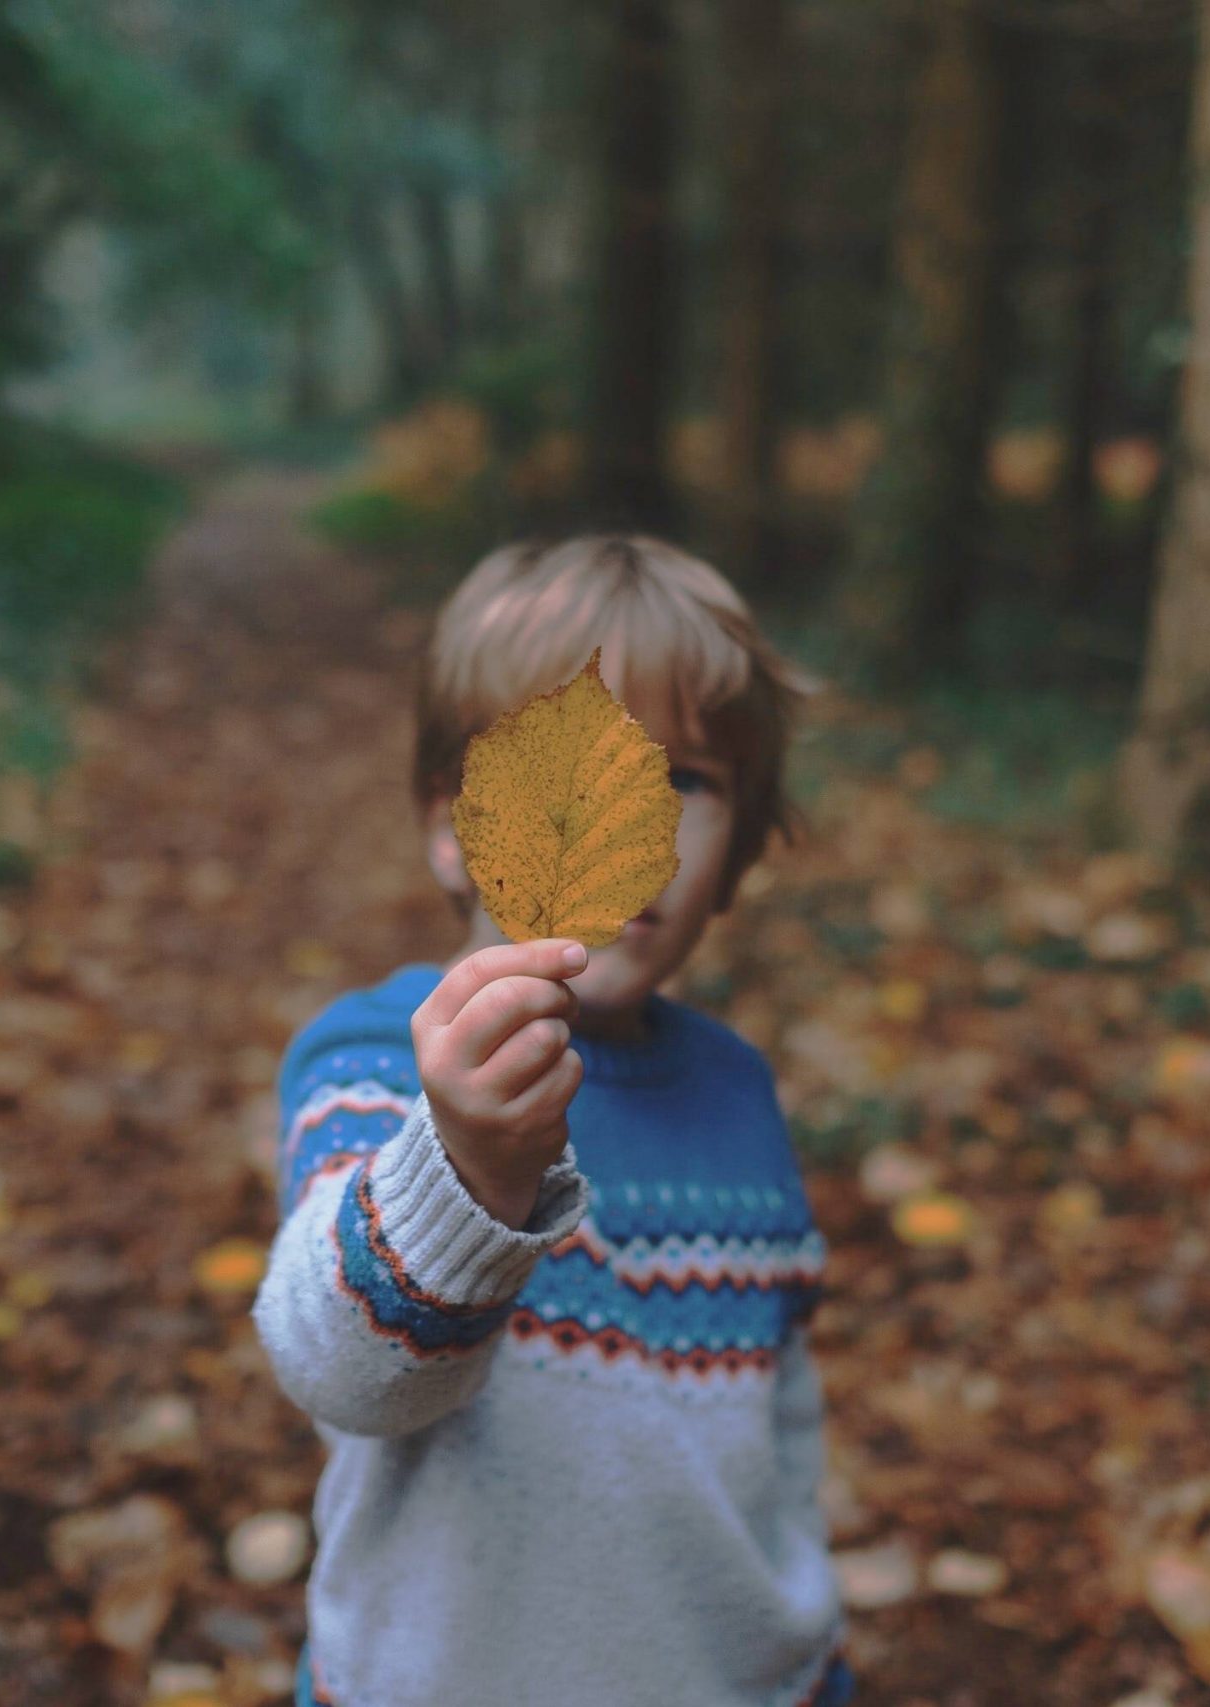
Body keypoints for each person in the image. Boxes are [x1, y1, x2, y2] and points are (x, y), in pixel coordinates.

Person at [253, 535, 854, 1706]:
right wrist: (466, 1169)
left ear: (736, 852)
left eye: (683, 778)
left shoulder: (738, 1093)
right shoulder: (382, 1064)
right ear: (451, 824)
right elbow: (346, 1372)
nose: (630, 816)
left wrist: (804, 1645)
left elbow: (780, 1433)